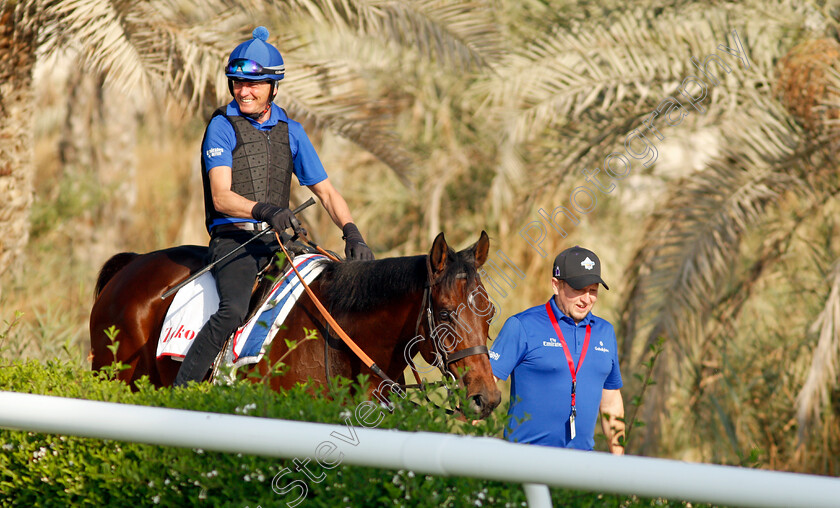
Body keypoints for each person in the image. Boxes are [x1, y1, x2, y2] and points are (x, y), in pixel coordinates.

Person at [174, 26, 374, 386]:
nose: (243, 91)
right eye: (236, 83)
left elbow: (327, 192)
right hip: (234, 242)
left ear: (274, 88)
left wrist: (352, 232)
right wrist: (265, 210)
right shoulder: (222, 126)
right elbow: (220, 196)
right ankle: (181, 392)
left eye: (253, 85)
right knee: (233, 311)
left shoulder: (292, 131)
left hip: (280, 242)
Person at [488, 246, 625, 454]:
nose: (586, 299)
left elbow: (612, 403)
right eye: (578, 289)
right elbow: (484, 387)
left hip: (580, 468)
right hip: (524, 462)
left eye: (593, 290)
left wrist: (619, 463)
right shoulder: (522, 325)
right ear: (556, 285)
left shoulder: (605, 332)